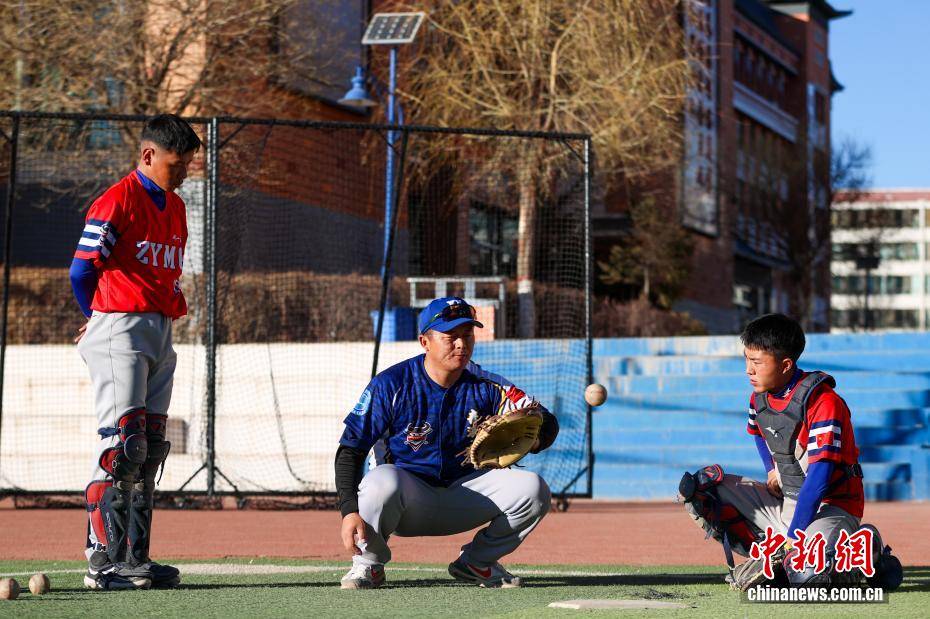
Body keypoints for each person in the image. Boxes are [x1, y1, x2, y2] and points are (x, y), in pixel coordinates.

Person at [335, 296, 559, 589]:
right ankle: (369, 564)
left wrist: (537, 436)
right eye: (450, 336)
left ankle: (477, 563)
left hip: (465, 495)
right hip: (406, 501)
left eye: (467, 335)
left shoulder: (488, 387)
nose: (461, 344)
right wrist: (349, 510)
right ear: (424, 342)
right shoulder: (391, 384)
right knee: (380, 481)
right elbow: (350, 449)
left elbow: (545, 419)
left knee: (533, 488)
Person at [70, 114, 201, 591]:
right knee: (120, 447)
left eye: (188, 162)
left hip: (159, 329)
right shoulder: (115, 200)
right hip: (119, 326)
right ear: (148, 156)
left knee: (148, 450)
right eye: (177, 162)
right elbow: (82, 270)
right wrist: (96, 318)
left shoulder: (177, 207)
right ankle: (101, 563)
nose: (184, 169)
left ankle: (134, 558)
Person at [679, 313, 901, 589]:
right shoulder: (759, 395)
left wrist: (794, 535)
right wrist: (772, 470)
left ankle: (866, 549)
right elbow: (759, 434)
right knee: (703, 487)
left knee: (807, 572)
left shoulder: (822, 402)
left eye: (757, 362)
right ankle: (775, 556)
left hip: (833, 507)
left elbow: (820, 478)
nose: (748, 369)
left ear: (785, 365)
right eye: (746, 359)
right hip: (789, 502)